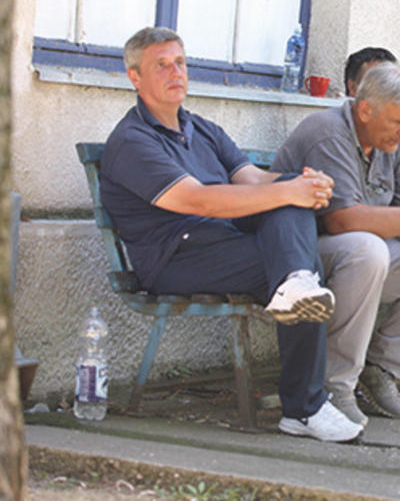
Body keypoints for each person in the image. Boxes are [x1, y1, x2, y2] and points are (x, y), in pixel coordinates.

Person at [100, 27, 359, 442]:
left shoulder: (200, 128)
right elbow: (197, 201)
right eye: (161, 65)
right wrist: (288, 191)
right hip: (176, 258)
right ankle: (305, 408)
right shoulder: (132, 140)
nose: (175, 73)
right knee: (298, 261)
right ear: (134, 77)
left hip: (223, 242)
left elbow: (253, 179)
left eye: (180, 62)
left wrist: (306, 185)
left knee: (292, 225)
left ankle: (296, 289)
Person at [271, 63, 400, 424]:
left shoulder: (389, 142)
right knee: (368, 249)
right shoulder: (329, 133)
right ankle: (334, 383)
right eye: (398, 123)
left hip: (350, 260)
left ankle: (382, 369)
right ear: (365, 110)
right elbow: (342, 220)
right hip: (296, 260)